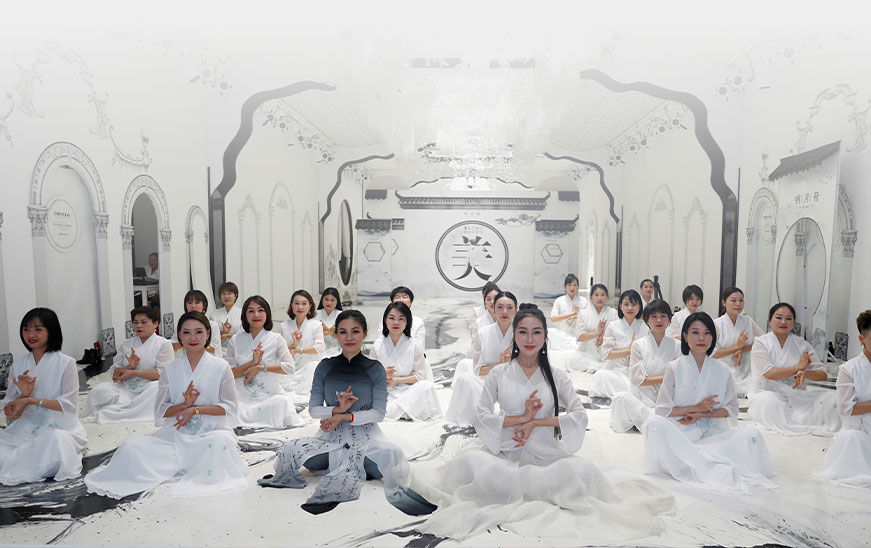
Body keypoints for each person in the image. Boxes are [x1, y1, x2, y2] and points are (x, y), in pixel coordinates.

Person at [411, 304, 674, 541]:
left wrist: (536, 423)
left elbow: (579, 415)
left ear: (545, 336)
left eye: (536, 332)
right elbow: (481, 415)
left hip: (546, 453)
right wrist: (521, 418)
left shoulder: (557, 376)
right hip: (507, 451)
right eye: (523, 332)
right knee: (468, 463)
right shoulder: (499, 373)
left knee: (584, 472)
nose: (529, 339)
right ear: (514, 335)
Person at [258, 310, 436, 517]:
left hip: (367, 438)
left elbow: (378, 414)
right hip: (330, 437)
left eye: (355, 331)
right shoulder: (324, 367)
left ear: (365, 333)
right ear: (336, 335)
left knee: (393, 455)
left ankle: (350, 463)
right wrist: (337, 409)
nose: (349, 337)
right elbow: (314, 409)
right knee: (291, 450)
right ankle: (347, 462)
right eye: (343, 332)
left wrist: (344, 417)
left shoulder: (375, 369)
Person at [85, 312, 247, 498]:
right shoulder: (171, 369)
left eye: (198, 332)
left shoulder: (221, 367)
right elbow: (163, 410)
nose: (193, 338)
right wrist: (184, 405)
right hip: (176, 433)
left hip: (211, 432)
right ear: (179, 336)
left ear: (208, 334)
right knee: (131, 446)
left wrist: (194, 410)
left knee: (220, 442)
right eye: (186, 332)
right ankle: (185, 461)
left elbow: (229, 407)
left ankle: (190, 461)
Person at [643, 312, 777, 494]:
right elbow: (662, 410)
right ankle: (692, 459)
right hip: (680, 435)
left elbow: (731, 409)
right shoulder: (675, 367)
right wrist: (695, 408)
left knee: (752, 435)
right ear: (685, 336)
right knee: (654, 423)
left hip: (713, 436)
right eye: (695, 332)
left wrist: (703, 414)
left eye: (707, 333)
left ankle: (698, 459)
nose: (701, 338)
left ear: (713, 338)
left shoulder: (722, 370)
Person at [1, 308, 87, 485]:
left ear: (51, 331)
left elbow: (69, 406)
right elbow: (10, 413)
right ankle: (26, 457)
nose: (30, 334)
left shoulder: (66, 363)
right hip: (25, 428)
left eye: (38, 329)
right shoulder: (18, 366)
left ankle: (24, 458)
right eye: (26, 329)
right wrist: (23, 395)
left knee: (57, 441)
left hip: (60, 428)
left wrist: (30, 400)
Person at [748, 302, 840, 436]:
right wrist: (798, 367)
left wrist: (805, 373)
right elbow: (769, 373)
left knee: (833, 398)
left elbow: (822, 374)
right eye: (778, 317)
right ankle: (801, 420)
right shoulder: (761, 343)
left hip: (798, 396)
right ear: (770, 321)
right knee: (767, 402)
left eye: (789, 318)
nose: (783, 322)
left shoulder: (802, 345)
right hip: (769, 393)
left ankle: (802, 419)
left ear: (793, 323)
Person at [83, 306, 174, 423]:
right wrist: (128, 367)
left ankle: (120, 411)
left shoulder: (163, 344)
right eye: (135, 322)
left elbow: (163, 374)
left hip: (149, 387)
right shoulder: (126, 344)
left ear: (156, 324)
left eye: (144, 322)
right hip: (125, 387)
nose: (139, 326)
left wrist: (133, 372)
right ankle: (125, 408)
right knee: (98, 390)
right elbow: (115, 374)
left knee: (157, 389)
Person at [226, 296, 302, 428]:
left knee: (282, 402)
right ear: (245, 316)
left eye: (260, 310)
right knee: (228, 406)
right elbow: (230, 374)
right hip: (241, 395)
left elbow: (290, 368)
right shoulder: (235, 340)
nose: (256, 315)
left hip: (269, 395)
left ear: (267, 314)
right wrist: (252, 363)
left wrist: (260, 367)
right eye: (251, 311)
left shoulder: (276, 339)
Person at [816, 310, 871, 487]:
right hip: (860, 431)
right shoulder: (849, 370)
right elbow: (847, 409)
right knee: (852, 439)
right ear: (862, 339)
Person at [446, 291, 517, 426]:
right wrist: (500, 364)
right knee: (465, 379)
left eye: (509, 307)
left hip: (514, 384)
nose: (505, 312)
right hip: (488, 384)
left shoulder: (522, 333)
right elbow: (478, 370)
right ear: (493, 308)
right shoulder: (483, 333)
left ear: (516, 309)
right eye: (500, 307)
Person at [610, 299, 681, 432]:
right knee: (620, 398)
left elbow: (681, 378)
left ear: (669, 320)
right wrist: (667, 376)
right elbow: (638, 380)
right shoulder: (638, 345)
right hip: (643, 398)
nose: (659, 320)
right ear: (647, 320)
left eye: (663, 316)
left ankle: (649, 419)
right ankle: (650, 418)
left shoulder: (678, 346)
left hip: (668, 398)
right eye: (654, 316)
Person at [370, 302, 442, 421]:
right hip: (385, 391)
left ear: (407, 322)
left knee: (426, 385)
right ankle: (404, 410)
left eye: (401, 319)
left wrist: (396, 380)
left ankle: (399, 410)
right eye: (392, 318)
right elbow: (370, 375)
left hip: (409, 391)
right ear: (385, 320)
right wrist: (383, 374)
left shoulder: (415, 346)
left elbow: (420, 376)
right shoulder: (377, 346)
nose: (396, 323)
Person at [589, 289, 649, 398]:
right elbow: (606, 354)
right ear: (620, 306)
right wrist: (629, 350)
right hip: (617, 371)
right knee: (601, 375)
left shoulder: (646, 327)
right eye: (626, 304)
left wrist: (637, 358)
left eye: (634, 304)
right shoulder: (613, 326)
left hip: (639, 371)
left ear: (640, 306)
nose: (630, 308)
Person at [712, 287, 764, 395]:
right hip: (724, 369)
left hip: (748, 369)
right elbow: (712, 354)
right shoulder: (716, 324)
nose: (738, 304)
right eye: (733, 300)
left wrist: (743, 349)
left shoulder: (748, 321)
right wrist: (736, 347)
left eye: (741, 300)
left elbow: (764, 341)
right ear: (724, 303)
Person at [280, 290, 326, 395]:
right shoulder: (284, 326)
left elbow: (320, 348)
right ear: (291, 305)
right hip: (290, 369)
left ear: (310, 306)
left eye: (304, 303)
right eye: (296, 303)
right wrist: (293, 345)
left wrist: (297, 350)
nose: (300, 307)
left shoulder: (316, 325)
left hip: (309, 368)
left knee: (314, 367)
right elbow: (279, 351)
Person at [567, 283, 618, 373]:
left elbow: (617, 334)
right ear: (591, 297)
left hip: (606, 349)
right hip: (587, 352)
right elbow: (579, 337)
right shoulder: (584, 313)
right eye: (596, 295)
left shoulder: (613, 313)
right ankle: (595, 366)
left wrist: (604, 336)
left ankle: (598, 366)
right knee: (570, 361)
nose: (599, 298)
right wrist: (597, 333)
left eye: (603, 295)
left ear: (606, 297)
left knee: (618, 361)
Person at [171, 290, 223, 359]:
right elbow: (173, 344)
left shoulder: (212, 325)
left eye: (197, 303)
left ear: (204, 305)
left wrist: (190, 345)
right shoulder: (181, 325)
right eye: (190, 303)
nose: (193, 306)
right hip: (186, 361)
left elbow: (214, 349)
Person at [210, 282, 243, 350]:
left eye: (229, 293)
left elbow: (245, 334)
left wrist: (227, 335)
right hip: (218, 350)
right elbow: (210, 336)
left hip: (237, 349)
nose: (226, 296)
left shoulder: (242, 313)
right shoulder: (214, 314)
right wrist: (224, 332)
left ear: (235, 295)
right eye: (223, 294)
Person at [316, 287, 342, 358]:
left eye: (332, 300)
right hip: (318, 350)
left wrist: (325, 330)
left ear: (337, 301)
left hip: (337, 350)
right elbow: (313, 336)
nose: (329, 303)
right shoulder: (315, 314)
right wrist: (331, 331)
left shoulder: (341, 315)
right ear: (322, 300)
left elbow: (342, 337)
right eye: (326, 299)